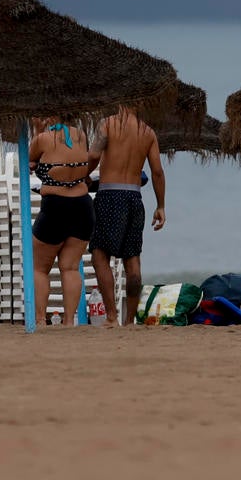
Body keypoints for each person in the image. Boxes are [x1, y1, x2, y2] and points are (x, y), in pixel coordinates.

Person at [89, 105, 165, 326]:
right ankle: (129, 321)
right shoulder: (148, 132)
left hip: (109, 195)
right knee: (132, 261)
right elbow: (157, 172)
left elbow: (94, 154)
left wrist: (83, 175)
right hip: (134, 197)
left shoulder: (107, 124)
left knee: (100, 255)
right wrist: (161, 206)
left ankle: (112, 317)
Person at [28, 118, 98, 324]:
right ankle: (68, 321)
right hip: (82, 206)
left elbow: (30, 160)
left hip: (55, 206)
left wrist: (37, 130)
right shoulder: (81, 135)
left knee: (39, 268)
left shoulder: (43, 139)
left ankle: (40, 320)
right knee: (70, 267)